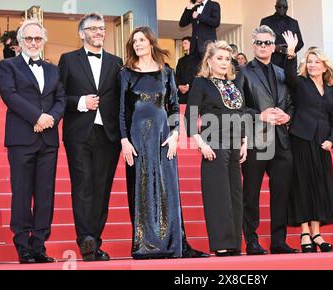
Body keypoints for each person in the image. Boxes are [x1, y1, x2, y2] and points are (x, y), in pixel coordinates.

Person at [0, 19, 66, 263]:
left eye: (38, 38)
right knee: (22, 192)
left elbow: (61, 99)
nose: (33, 42)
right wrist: (37, 116)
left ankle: (39, 245)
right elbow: (9, 95)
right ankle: (23, 245)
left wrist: (50, 119)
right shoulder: (7, 66)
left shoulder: (53, 69)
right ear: (20, 41)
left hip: (48, 140)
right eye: (29, 38)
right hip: (21, 139)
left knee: (45, 194)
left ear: (44, 41)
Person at [58, 13, 123, 262]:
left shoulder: (117, 62)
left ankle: (94, 241)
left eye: (101, 28)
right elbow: (59, 96)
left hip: (109, 134)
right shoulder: (68, 60)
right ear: (81, 33)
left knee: (102, 189)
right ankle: (85, 240)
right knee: (83, 187)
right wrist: (80, 103)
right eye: (92, 28)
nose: (98, 32)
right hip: (79, 134)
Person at [119, 26, 185, 259]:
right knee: (141, 188)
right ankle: (146, 244)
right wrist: (124, 140)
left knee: (166, 189)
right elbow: (121, 111)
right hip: (137, 138)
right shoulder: (126, 73)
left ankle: (170, 243)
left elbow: (175, 107)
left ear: (151, 43)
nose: (137, 44)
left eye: (141, 40)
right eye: (134, 41)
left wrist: (176, 134)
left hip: (163, 136)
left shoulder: (166, 72)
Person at [236, 25, 297, 255]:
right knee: (250, 194)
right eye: (259, 42)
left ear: (273, 46)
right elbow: (236, 107)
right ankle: (251, 241)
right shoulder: (242, 72)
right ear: (253, 45)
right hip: (255, 140)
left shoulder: (283, 73)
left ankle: (278, 241)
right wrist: (258, 115)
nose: (263, 46)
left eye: (267, 43)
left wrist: (288, 115)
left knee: (281, 193)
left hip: (281, 140)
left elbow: (292, 101)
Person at [184, 40, 247, 257]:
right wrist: (202, 144)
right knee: (218, 196)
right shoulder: (201, 83)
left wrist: (245, 141)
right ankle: (221, 244)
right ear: (209, 61)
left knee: (235, 196)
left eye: (227, 59)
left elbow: (242, 114)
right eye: (219, 58)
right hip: (214, 145)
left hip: (234, 144)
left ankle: (234, 244)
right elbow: (190, 117)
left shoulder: (234, 83)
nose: (224, 62)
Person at [283, 31, 333, 253]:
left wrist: (331, 141)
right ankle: (305, 233)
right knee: (303, 186)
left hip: (321, 144)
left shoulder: (332, 92)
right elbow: (289, 77)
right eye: (310, 62)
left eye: (317, 62)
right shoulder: (301, 83)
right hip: (301, 139)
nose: (313, 65)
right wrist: (291, 53)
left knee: (319, 187)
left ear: (325, 66)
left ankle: (317, 233)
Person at [260, 0, 304, 68]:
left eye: (284, 7)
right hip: (271, 61)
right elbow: (261, 41)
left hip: (289, 62)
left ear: (287, 8)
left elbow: (300, 42)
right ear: (275, 7)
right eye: (279, 7)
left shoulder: (294, 23)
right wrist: (275, 47)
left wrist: (290, 50)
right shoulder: (266, 22)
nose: (282, 9)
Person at [175, 36, 199, 104]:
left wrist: (189, 86)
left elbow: (200, 76)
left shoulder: (199, 60)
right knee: (182, 114)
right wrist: (179, 86)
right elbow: (177, 76)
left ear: (192, 44)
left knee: (193, 113)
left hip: (195, 94)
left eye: (185, 43)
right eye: (183, 44)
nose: (183, 45)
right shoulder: (181, 61)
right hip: (182, 95)